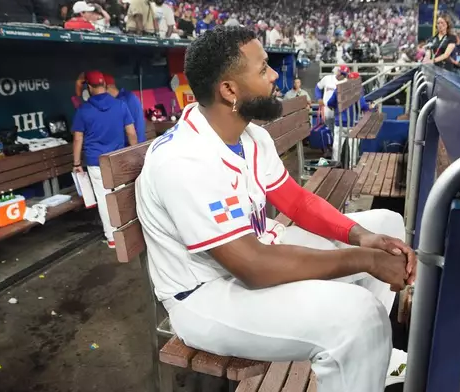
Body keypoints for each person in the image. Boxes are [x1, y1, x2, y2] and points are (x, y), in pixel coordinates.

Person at [135, 27, 416, 392]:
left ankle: (362, 363)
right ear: (229, 90)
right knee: (359, 317)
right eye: (263, 68)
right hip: (205, 296)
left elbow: (296, 201)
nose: (274, 76)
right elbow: (253, 267)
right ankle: (360, 349)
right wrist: (364, 259)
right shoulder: (184, 160)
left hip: (255, 256)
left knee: (387, 225)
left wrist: (361, 237)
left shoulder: (250, 135)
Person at [72, 71, 138, 248]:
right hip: (117, 159)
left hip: (96, 161)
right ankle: (128, 231)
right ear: (105, 86)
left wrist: (77, 163)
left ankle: (112, 238)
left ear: (90, 87)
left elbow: (78, 138)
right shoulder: (120, 105)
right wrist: (133, 153)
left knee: (104, 198)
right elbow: (131, 132)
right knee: (122, 196)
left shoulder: (83, 110)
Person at [326, 71, 372, 164]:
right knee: (353, 149)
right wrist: (370, 108)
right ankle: (353, 167)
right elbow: (363, 106)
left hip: (340, 123)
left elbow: (330, 103)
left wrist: (337, 107)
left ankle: (335, 167)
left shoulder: (339, 88)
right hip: (353, 124)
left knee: (336, 147)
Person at [105, 74, 146, 143]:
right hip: (139, 143)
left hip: (133, 145)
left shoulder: (122, 101)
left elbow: (130, 132)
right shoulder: (128, 95)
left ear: (107, 87)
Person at [315, 65, 349, 144]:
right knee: (329, 130)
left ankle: (338, 152)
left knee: (338, 133)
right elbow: (318, 87)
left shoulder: (346, 82)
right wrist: (319, 98)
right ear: (338, 71)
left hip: (338, 111)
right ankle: (329, 149)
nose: (341, 75)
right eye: (341, 73)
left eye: (344, 74)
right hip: (327, 109)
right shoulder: (328, 78)